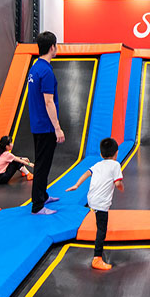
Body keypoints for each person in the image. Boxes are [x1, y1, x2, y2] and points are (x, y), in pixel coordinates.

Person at [66, 137, 124, 271]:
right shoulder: (115, 165)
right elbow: (117, 183)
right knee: (101, 230)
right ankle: (97, 258)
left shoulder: (98, 165)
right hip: (101, 203)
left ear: (101, 155)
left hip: (91, 199)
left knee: (100, 222)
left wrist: (77, 185)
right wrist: (121, 187)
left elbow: (87, 173)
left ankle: (98, 254)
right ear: (116, 153)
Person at [27, 31, 66, 215]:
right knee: (43, 165)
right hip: (46, 126)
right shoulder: (46, 72)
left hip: (37, 124)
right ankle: (38, 206)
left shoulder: (35, 68)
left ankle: (42, 195)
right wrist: (57, 128)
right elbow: (48, 102)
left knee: (42, 162)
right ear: (52, 47)